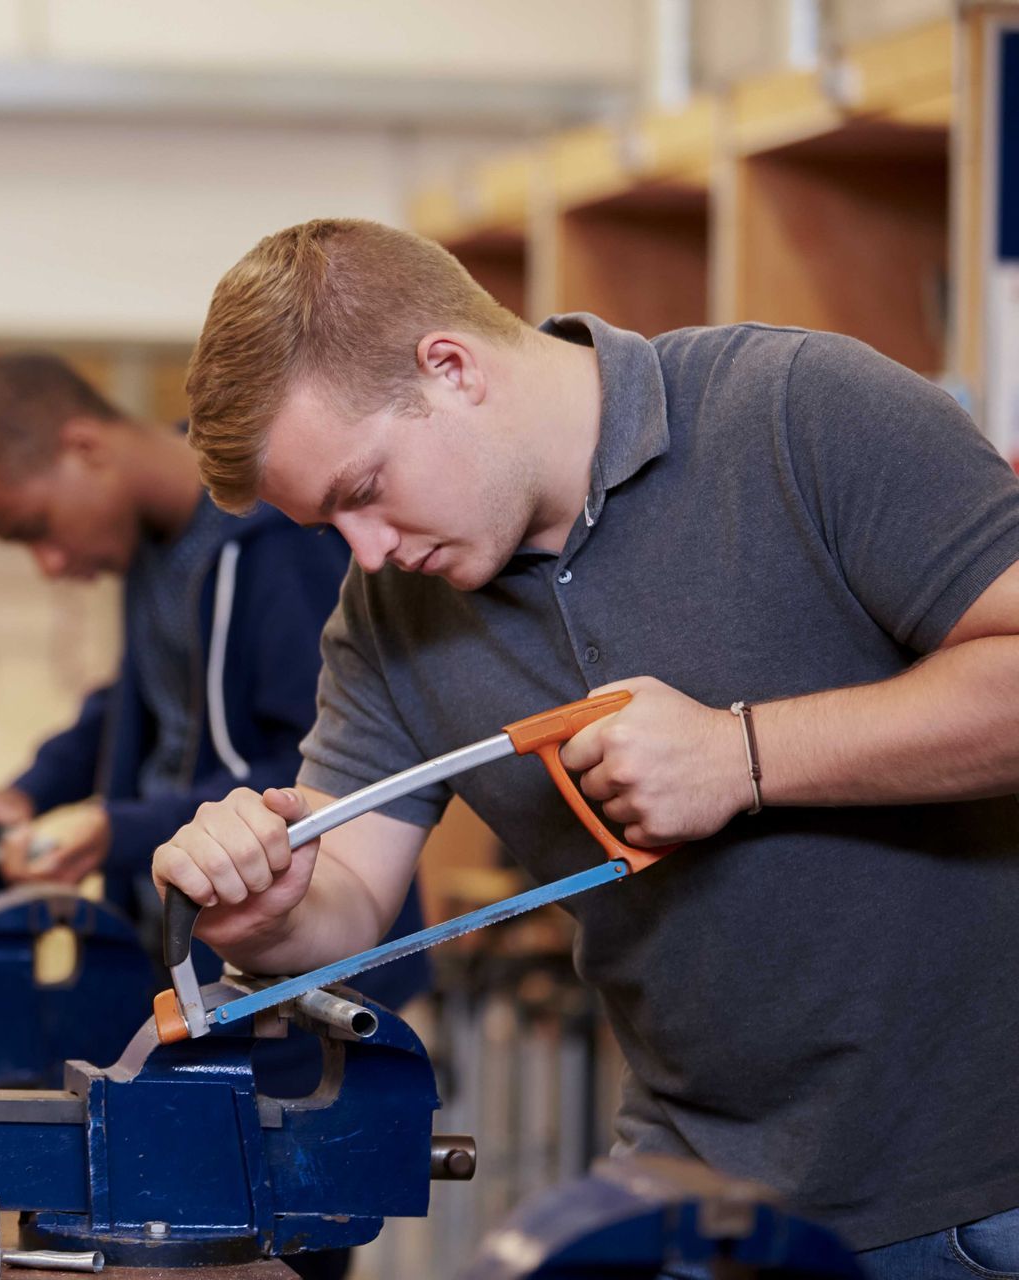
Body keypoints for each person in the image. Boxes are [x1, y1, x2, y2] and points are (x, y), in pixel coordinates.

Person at [150, 217, 1019, 1278]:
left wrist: (743, 755)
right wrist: (270, 909)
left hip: (988, 1194)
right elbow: (346, 898)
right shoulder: (390, 616)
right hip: (696, 1194)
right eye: (330, 528)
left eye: (363, 491)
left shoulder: (799, 409)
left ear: (451, 367)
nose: (369, 552)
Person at [0, 351, 429, 1007]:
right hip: (194, 962)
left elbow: (317, 775)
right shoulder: (158, 546)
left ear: (84, 448)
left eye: (37, 529)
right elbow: (138, 706)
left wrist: (121, 830)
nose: (48, 564)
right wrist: (30, 795)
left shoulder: (278, 542)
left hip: (304, 989)